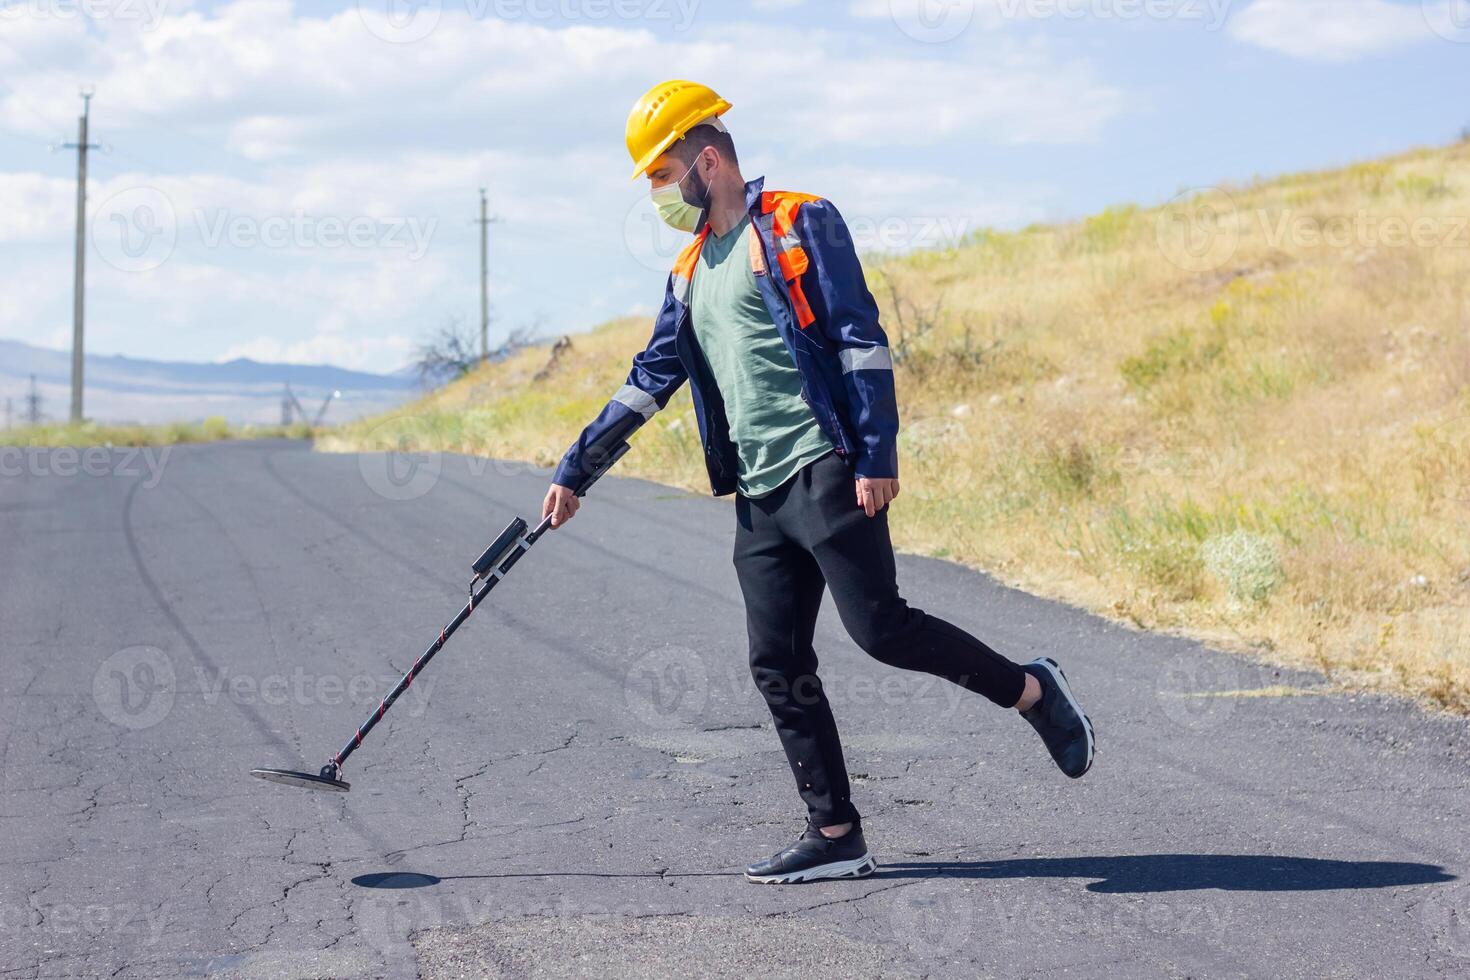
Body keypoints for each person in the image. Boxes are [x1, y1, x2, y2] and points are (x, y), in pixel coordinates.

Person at [543, 80, 1094, 884]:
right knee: (776, 660)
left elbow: (858, 339)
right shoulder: (691, 268)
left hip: (827, 465)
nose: (658, 194)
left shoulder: (801, 222)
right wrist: (576, 469)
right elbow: (651, 376)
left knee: (883, 631)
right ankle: (836, 830)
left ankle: (1035, 693)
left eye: (662, 175)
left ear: (707, 160)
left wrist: (876, 455)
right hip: (761, 492)